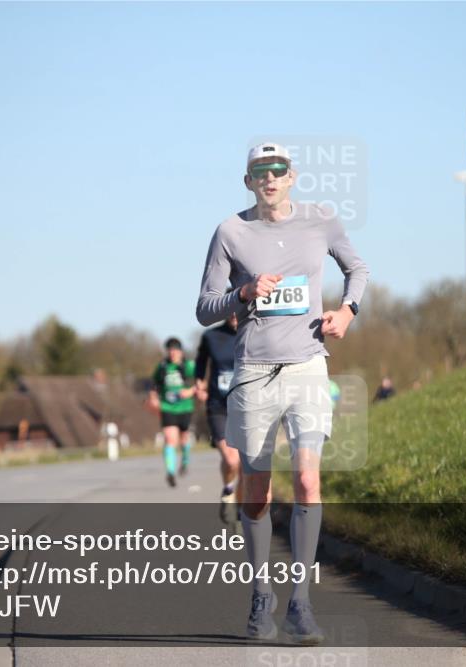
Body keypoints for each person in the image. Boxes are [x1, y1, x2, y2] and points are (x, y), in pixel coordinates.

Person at [196, 142, 369, 644]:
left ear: (292, 176)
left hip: (308, 367)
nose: (269, 178)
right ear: (248, 181)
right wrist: (243, 293)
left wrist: (348, 311)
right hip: (253, 371)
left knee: (309, 482)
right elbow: (205, 307)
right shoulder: (230, 231)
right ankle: (260, 595)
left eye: (277, 170)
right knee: (257, 491)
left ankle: (301, 603)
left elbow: (357, 269)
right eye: (259, 172)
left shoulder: (321, 220)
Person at [194, 310, 242, 525]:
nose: (234, 315)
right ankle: (228, 490)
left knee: (243, 464)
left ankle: (240, 510)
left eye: (237, 311)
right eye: (230, 311)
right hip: (218, 406)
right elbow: (200, 362)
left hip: (245, 406)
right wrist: (198, 381)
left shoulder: (253, 332)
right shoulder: (211, 336)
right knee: (231, 459)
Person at [147, 337, 196, 487]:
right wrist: (153, 397)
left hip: (185, 407)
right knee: (170, 439)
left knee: (184, 438)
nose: (173, 353)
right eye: (170, 350)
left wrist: (190, 391)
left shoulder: (188, 366)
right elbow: (153, 385)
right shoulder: (162, 367)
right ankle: (170, 471)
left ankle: (185, 460)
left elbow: (202, 381)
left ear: (181, 351)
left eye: (175, 350)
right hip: (167, 407)